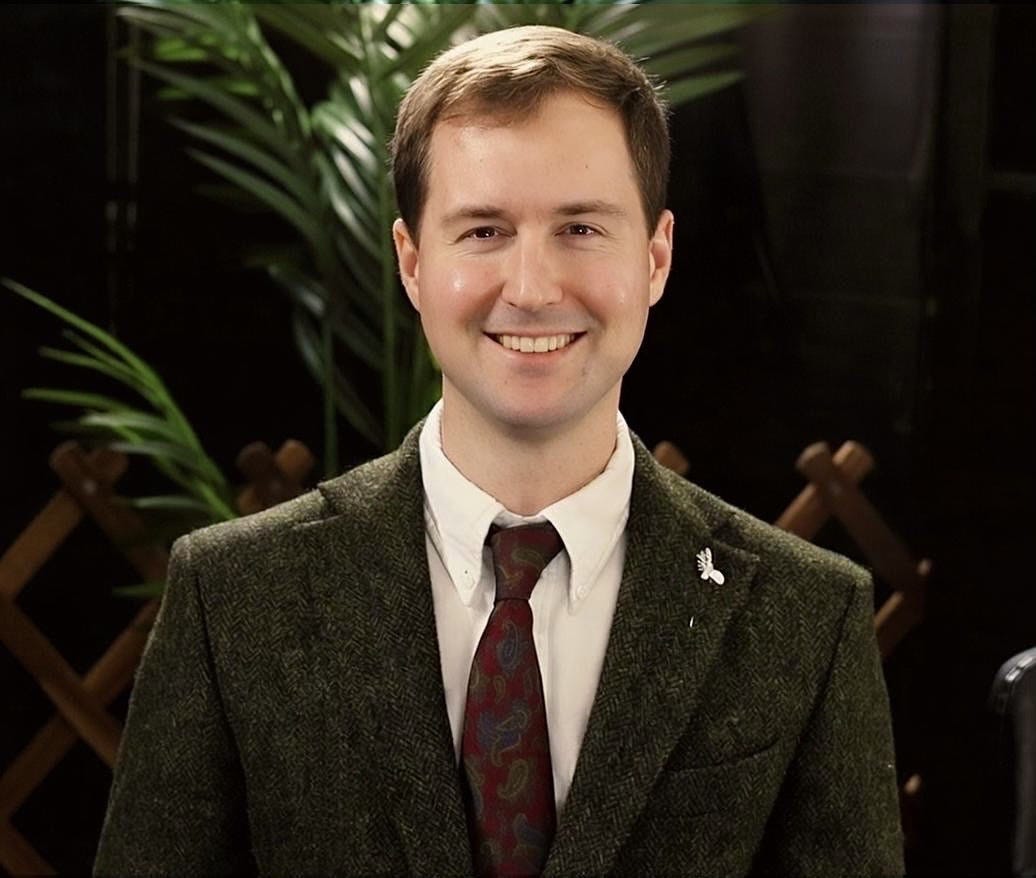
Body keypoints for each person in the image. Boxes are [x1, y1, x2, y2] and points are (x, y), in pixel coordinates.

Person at [95, 25, 903, 877]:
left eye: (581, 228)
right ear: (412, 262)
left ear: (656, 257)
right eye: (483, 231)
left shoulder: (806, 618)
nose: (532, 288)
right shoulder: (234, 598)